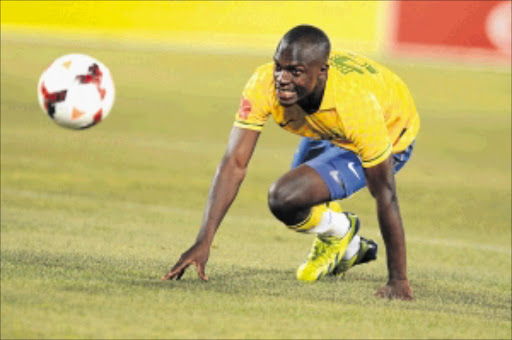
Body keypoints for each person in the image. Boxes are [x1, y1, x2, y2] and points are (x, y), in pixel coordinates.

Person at [162, 24, 419, 300]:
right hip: (323, 123)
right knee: (296, 201)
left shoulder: (356, 106)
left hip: (390, 132)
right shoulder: (263, 83)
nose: (282, 79)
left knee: (285, 197)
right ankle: (341, 234)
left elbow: (385, 194)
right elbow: (234, 163)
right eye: (278, 67)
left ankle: (342, 233)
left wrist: (398, 280)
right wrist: (203, 241)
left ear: (321, 72)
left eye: (294, 71)